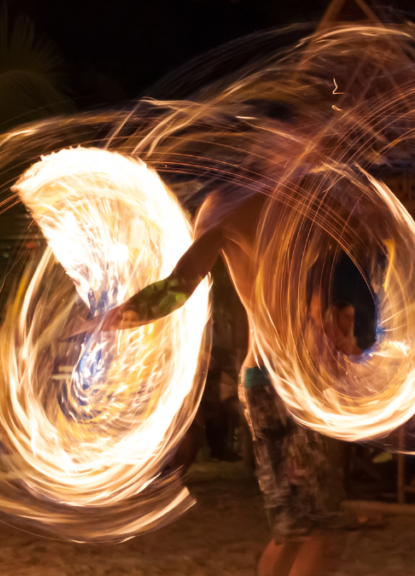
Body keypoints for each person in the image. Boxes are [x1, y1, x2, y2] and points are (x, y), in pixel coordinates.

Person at [88, 191, 345, 576]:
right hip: (278, 387)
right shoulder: (231, 207)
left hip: (294, 386)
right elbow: (180, 284)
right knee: (315, 532)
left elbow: (310, 307)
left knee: (297, 530)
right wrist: (122, 315)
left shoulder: (302, 209)